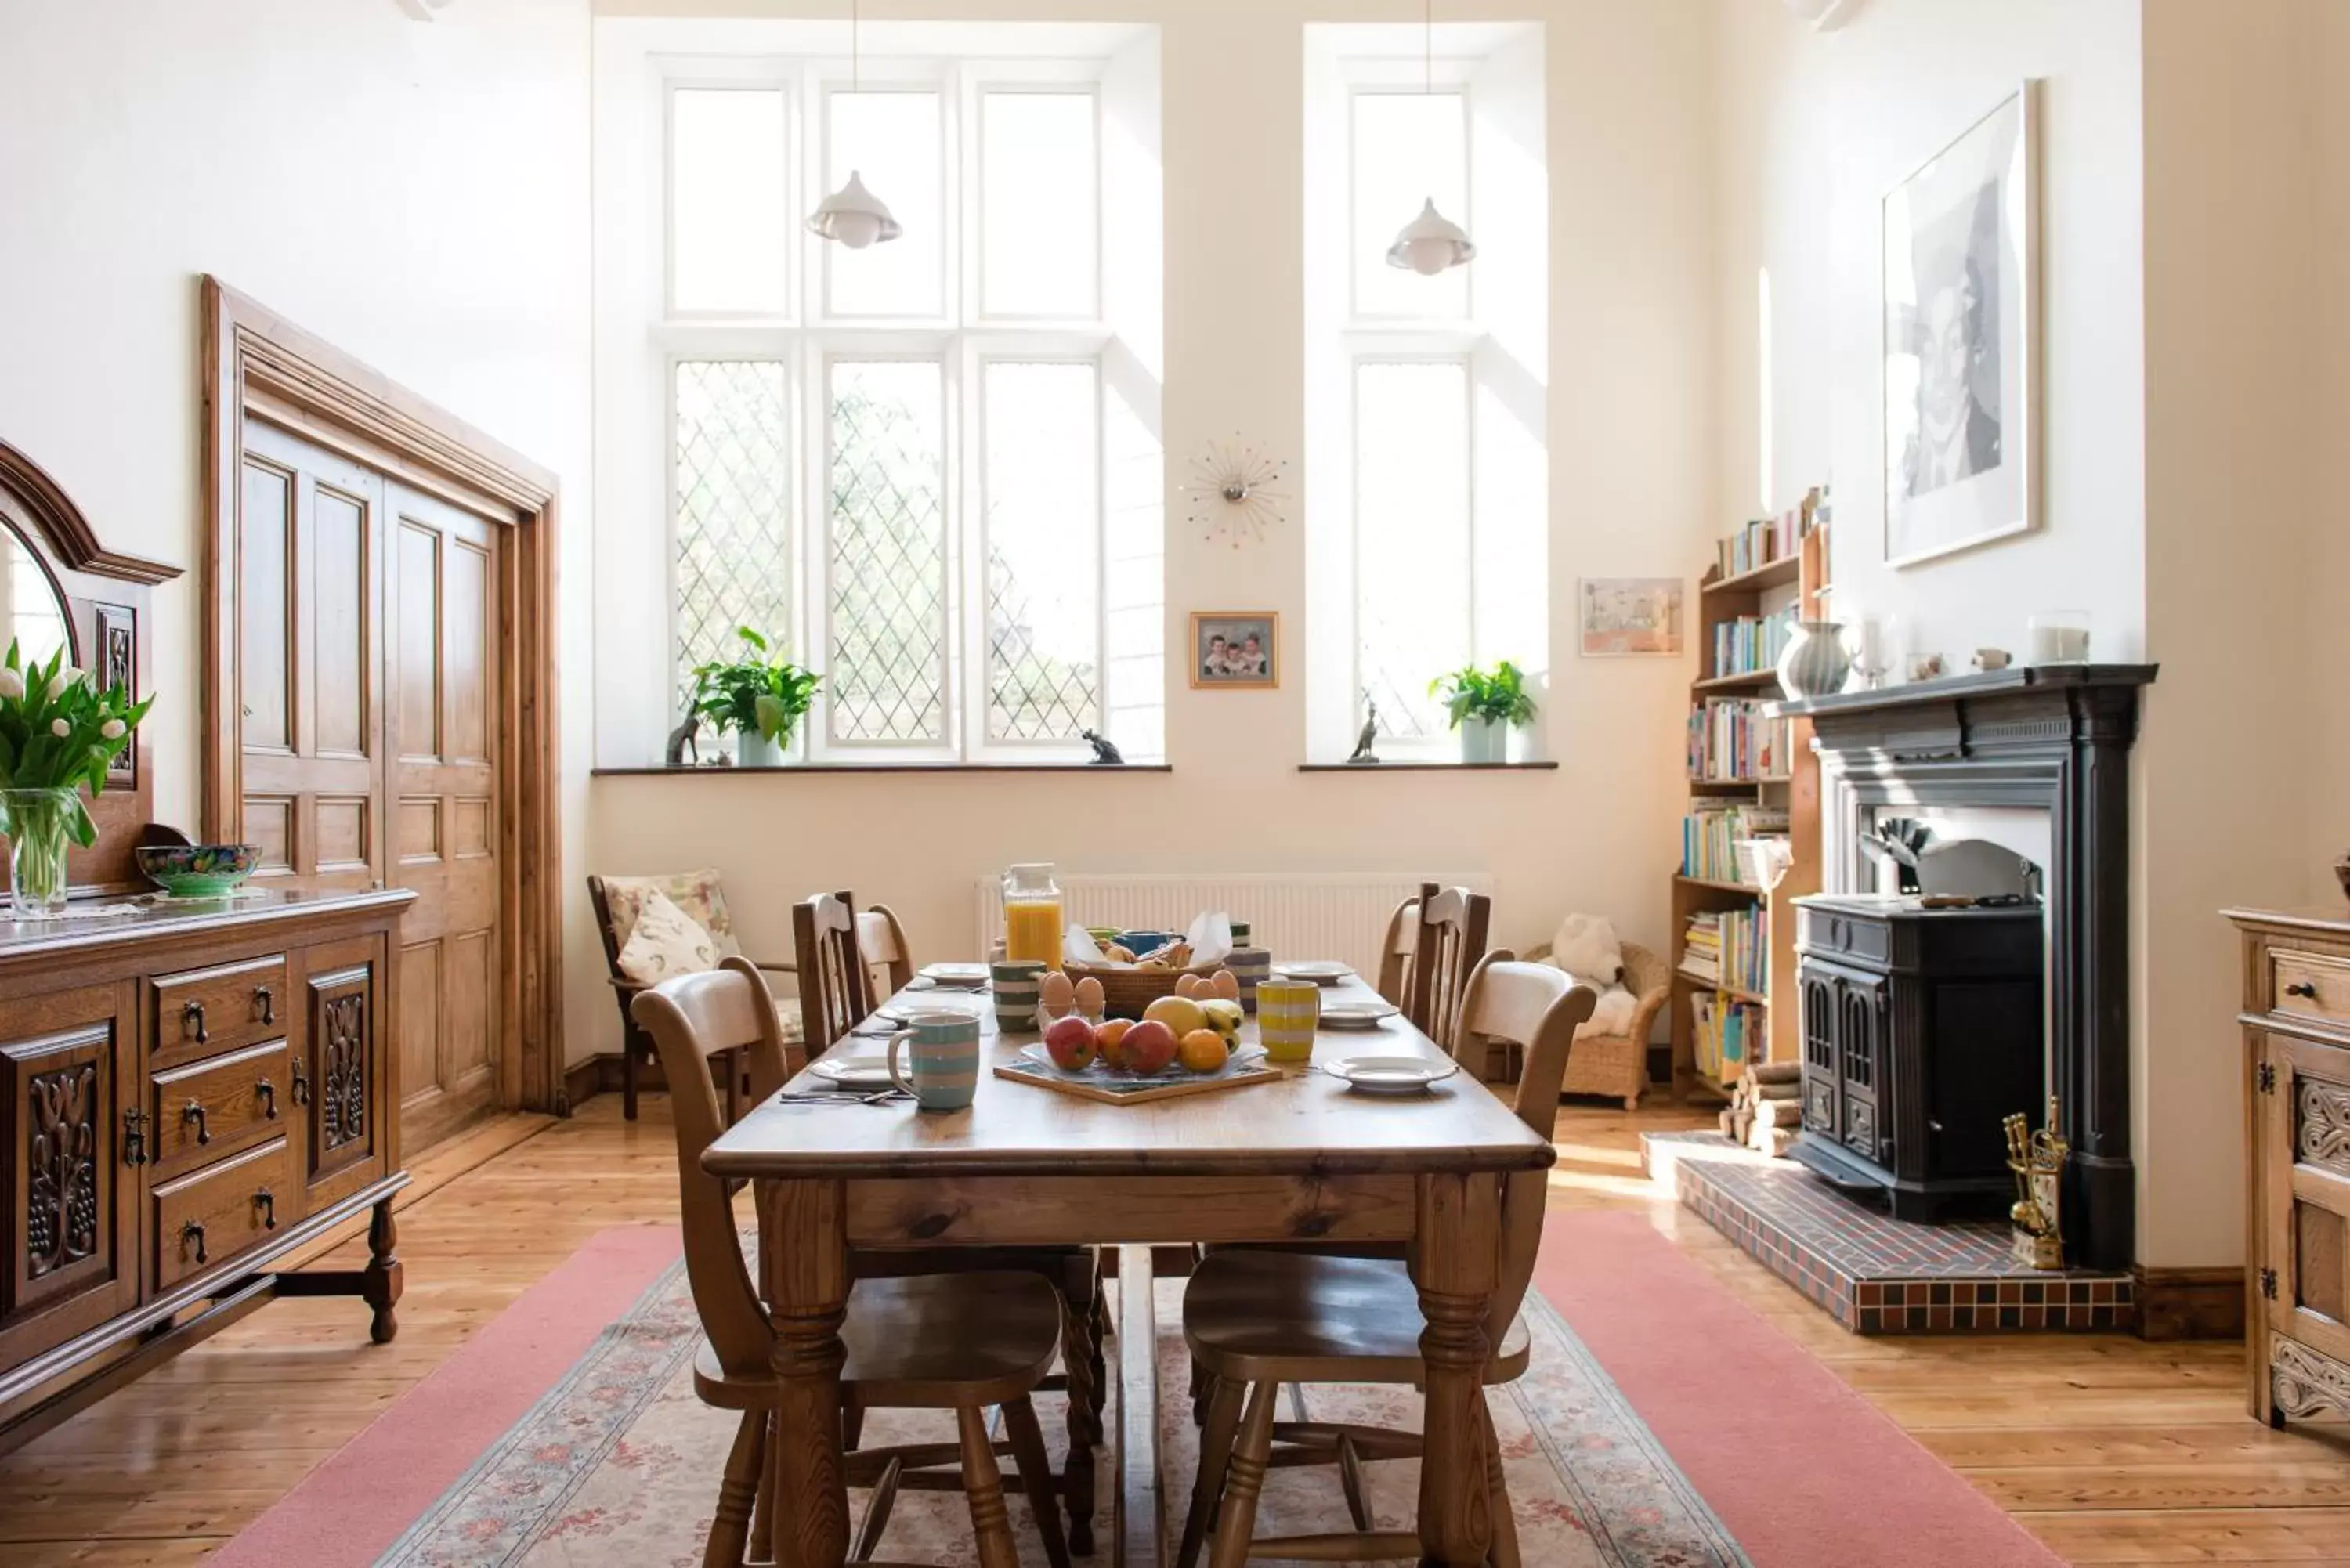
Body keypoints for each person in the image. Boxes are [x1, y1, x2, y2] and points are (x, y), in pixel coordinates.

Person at [1907, 253, 2001, 497]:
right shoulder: (1906, 472)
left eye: (1955, 344)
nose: (1940, 372)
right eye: (1929, 350)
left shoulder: (1996, 452)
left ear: (1977, 350)